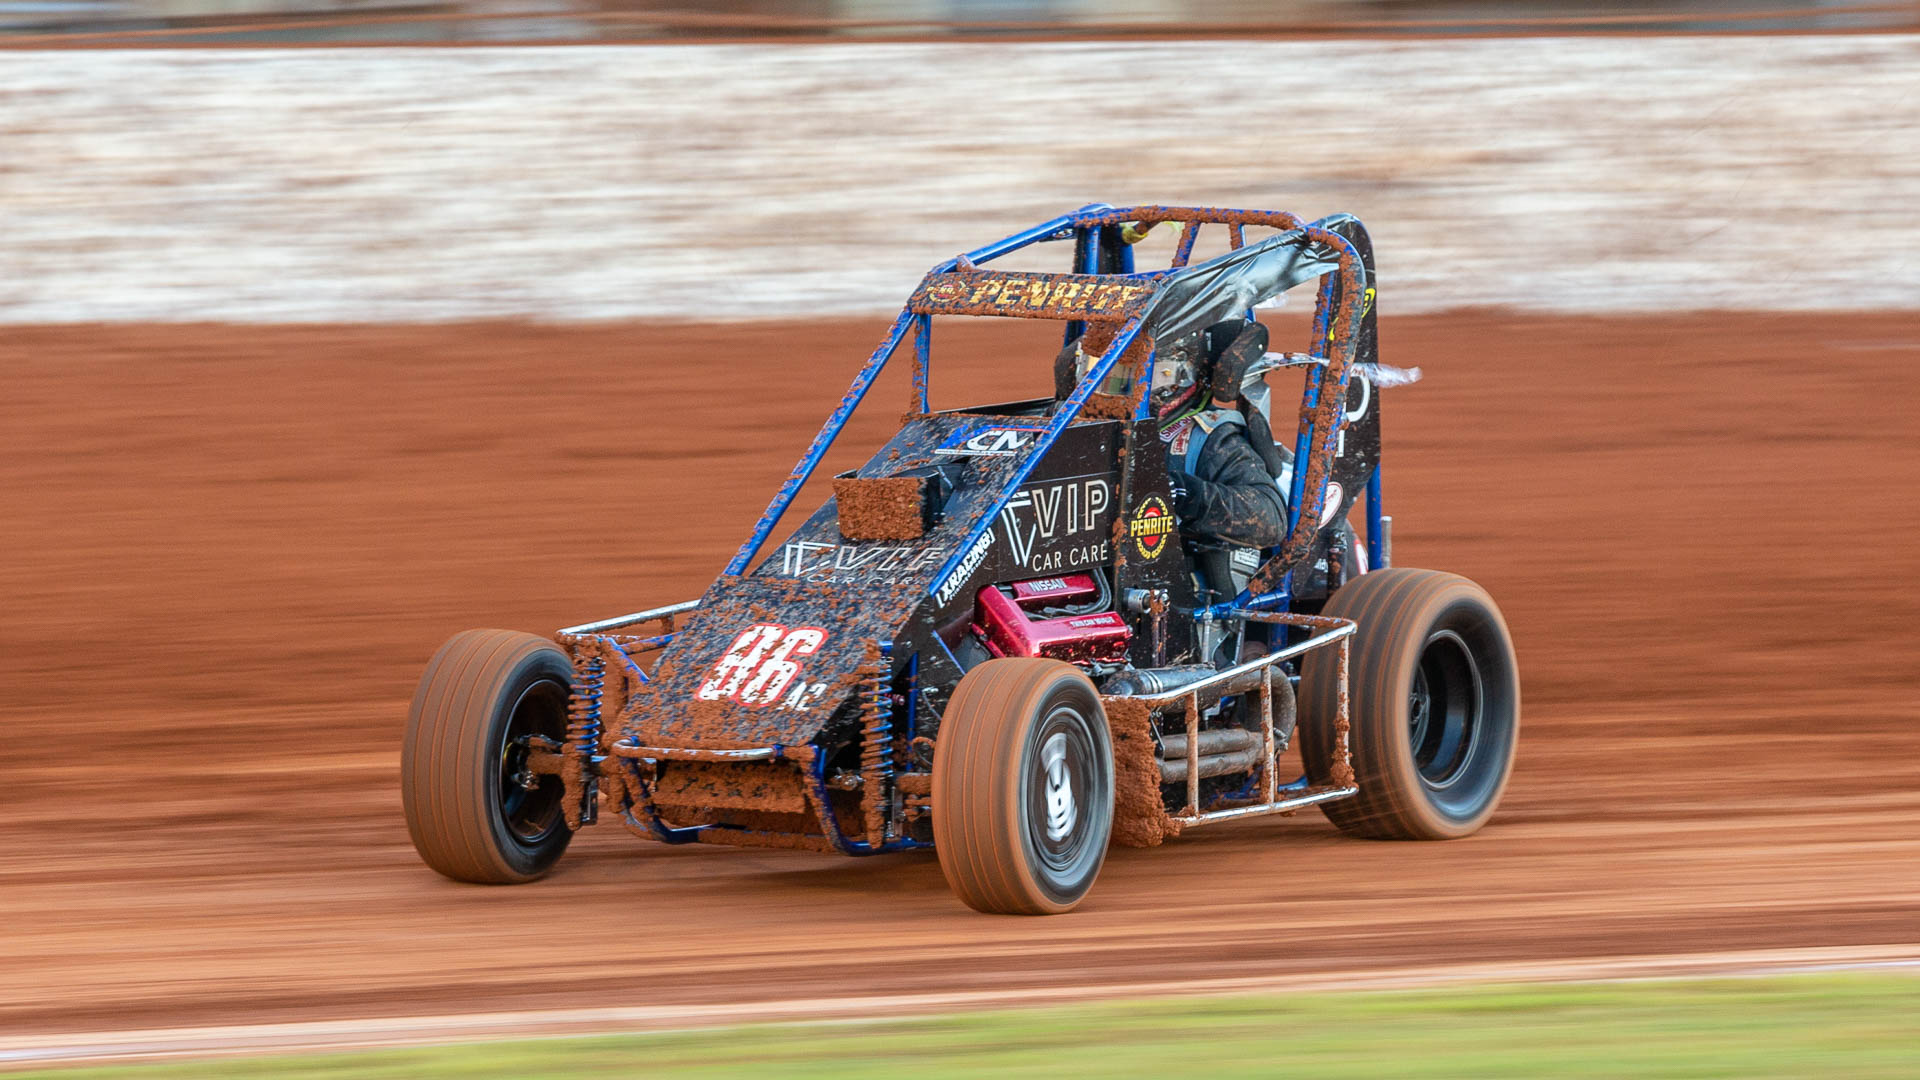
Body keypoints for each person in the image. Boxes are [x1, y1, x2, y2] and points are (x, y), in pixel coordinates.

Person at [1155, 320, 1288, 555]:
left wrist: (1189, 493)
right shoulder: (1087, 427)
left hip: (1183, 576)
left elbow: (1270, 520)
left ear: (1183, 375)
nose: (1133, 386)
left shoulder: (1209, 437)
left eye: (1159, 375)